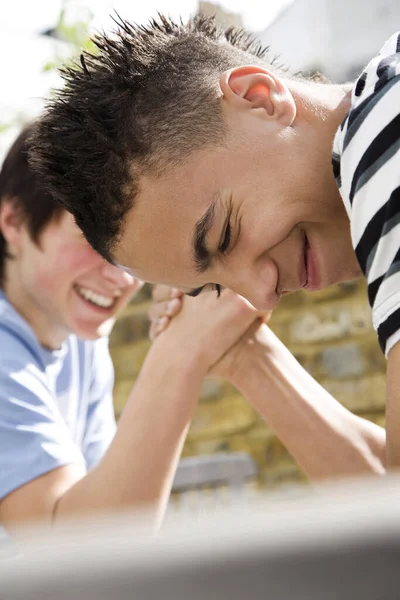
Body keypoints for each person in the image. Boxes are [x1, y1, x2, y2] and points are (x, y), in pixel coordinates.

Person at [29, 16, 399, 468]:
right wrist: (247, 356)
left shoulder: (383, 142)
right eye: (214, 288)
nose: (263, 294)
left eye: (224, 235)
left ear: (259, 99)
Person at [0, 124, 261, 537]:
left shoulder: (79, 340)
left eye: (128, 249)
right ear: (13, 222)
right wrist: (180, 352)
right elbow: (69, 552)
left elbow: (110, 517)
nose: (122, 279)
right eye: (93, 242)